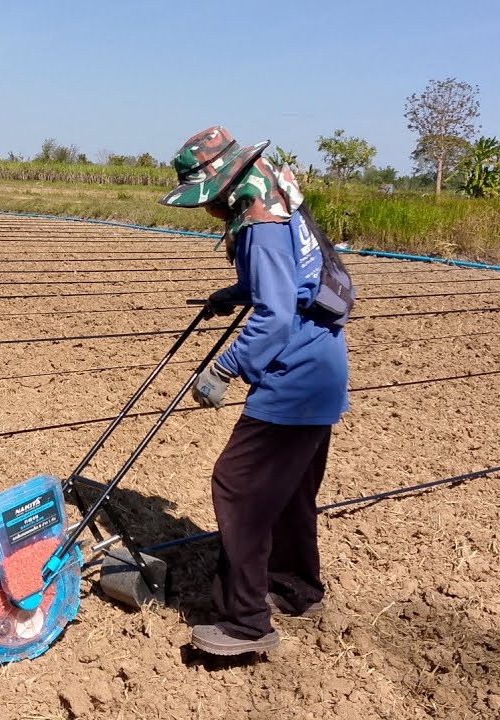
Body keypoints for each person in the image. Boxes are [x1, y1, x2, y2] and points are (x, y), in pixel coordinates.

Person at [159, 126, 350, 656]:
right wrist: (234, 292)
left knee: (238, 486)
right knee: (288, 489)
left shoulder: (258, 224)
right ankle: (296, 586)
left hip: (296, 376)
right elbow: (286, 278)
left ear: (221, 185)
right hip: (323, 365)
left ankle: (246, 624)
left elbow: (274, 312)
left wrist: (224, 369)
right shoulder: (276, 197)